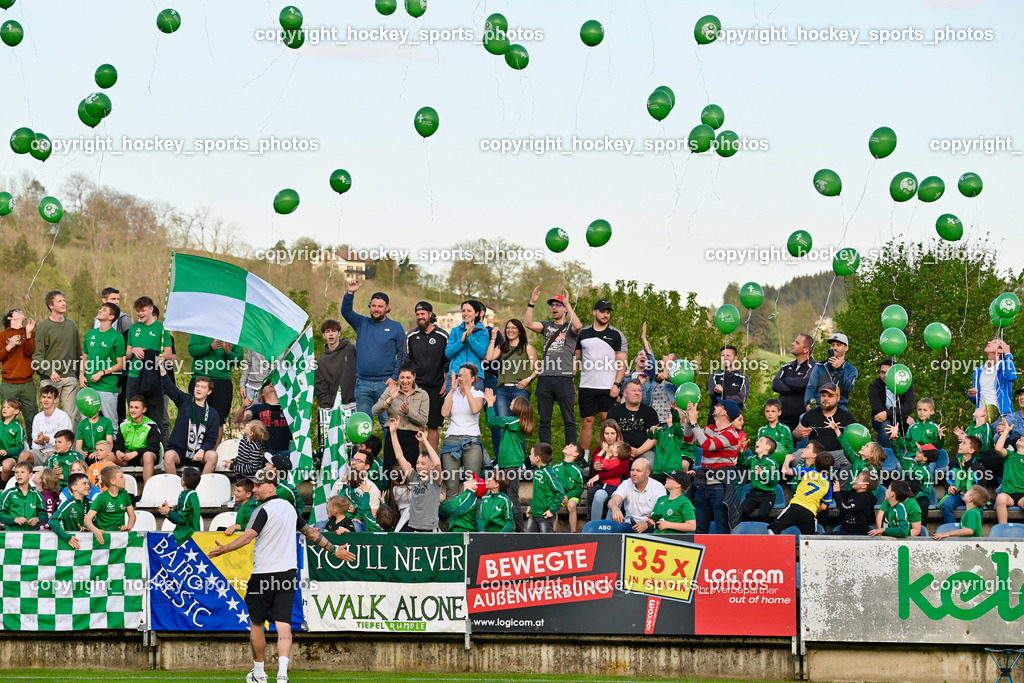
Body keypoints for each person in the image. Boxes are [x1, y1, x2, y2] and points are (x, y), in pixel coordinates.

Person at [209, 469, 306, 683]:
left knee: (256, 624)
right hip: (287, 573)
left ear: (271, 486)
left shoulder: (262, 510)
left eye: (258, 486)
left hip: (263, 574)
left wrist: (224, 549)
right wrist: (333, 549)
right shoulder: (290, 508)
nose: (254, 489)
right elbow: (310, 532)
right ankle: (282, 674)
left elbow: (247, 537)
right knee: (283, 624)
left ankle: (259, 672)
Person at [524, 287, 583, 447]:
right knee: (544, 422)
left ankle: (571, 456)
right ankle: (544, 459)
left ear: (564, 309)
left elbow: (578, 327)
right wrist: (532, 302)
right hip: (545, 379)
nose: (554, 308)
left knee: (569, 420)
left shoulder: (571, 327)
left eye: (558, 305)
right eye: (552, 305)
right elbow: (528, 323)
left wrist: (568, 304)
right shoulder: (546, 325)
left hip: (564, 379)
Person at [342, 280, 405, 427]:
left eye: (380, 306)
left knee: (388, 425)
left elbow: (402, 355)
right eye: (374, 306)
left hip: (385, 385)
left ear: (387, 308)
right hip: (362, 384)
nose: (376, 309)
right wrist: (350, 293)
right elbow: (346, 312)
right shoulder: (362, 323)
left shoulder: (396, 327)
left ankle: (390, 451)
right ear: (370, 306)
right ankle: (365, 451)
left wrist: (394, 377)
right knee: (362, 426)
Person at [575, 300, 628, 459]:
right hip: (587, 385)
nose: (606, 315)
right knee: (587, 422)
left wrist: (616, 385)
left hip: (608, 386)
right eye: (603, 311)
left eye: (608, 312)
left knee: (608, 424)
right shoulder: (583, 333)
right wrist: (569, 380)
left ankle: (611, 456)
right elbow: (575, 359)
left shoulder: (616, 334)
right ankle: (584, 460)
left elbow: (622, 363)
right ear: (594, 312)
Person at [683, 399, 744, 533]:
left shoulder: (732, 434)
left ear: (724, 412)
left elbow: (707, 445)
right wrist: (688, 420)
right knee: (700, 529)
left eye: (719, 405)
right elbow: (688, 438)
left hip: (719, 486)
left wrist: (694, 422)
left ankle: (724, 554)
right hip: (703, 484)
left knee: (721, 528)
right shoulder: (710, 429)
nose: (715, 406)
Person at [484, 318, 537, 455]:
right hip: (502, 390)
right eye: (508, 328)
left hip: (520, 389)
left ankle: (520, 459)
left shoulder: (527, 348)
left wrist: (528, 379)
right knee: (501, 425)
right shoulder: (502, 347)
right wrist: (493, 338)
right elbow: (489, 358)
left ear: (519, 331)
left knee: (520, 425)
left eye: (514, 328)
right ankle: (501, 459)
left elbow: (537, 369)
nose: (510, 330)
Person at [484, 388, 534, 532]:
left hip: (512, 466)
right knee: (504, 496)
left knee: (512, 496)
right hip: (505, 465)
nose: (510, 402)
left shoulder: (515, 421)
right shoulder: (514, 422)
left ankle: (519, 530)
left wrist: (490, 403)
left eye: (513, 401)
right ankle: (505, 527)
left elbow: (492, 421)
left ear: (519, 407)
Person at [403, 302, 449, 450]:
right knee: (418, 425)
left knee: (433, 426)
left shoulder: (443, 336)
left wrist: (446, 382)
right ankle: (419, 461)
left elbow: (448, 362)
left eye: (422, 314)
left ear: (430, 315)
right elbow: (406, 362)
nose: (420, 317)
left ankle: (432, 460)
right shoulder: (411, 336)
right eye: (417, 315)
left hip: (436, 388)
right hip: (417, 388)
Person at [159, 368, 221, 476]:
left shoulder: (213, 414)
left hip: (199, 452)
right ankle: (176, 490)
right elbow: (170, 388)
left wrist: (202, 450)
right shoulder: (185, 400)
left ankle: (201, 490)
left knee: (213, 456)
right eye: (197, 386)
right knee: (168, 456)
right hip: (179, 451)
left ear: (209, 391)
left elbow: (211, 439)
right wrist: (162, 369)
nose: (198, 389)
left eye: (203, 387)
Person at [124, 296, 173, 431]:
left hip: (153, 375)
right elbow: (127, 355)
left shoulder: (161, 328)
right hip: (134, 375)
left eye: (143, 310)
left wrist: (158, 355)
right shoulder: (134, 328)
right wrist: (134, 349)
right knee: (134, 410)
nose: (140, 314)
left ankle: (155, 446)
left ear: (151, 309)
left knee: (155, 412)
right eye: (138, 311)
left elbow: (169, 354)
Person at [32, 290, 81, 423]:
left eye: (64, 300)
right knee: (50, 417)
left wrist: (81, 376)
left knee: (72, 417)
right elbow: (37, 356)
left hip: (70, 378)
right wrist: (50, 371)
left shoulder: (72, 325)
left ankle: (70, 444)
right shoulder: (43, 327)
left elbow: (78, 354)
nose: (63, 303)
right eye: (59, 301)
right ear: (51, 305)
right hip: (49, 379)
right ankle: (51, 444)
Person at [439, 363, 485, 501]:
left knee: (472, 485)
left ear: (473, 378)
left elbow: (475, 409)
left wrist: (467, 390)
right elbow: (444, 413)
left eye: (465, 375)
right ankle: (451, 521)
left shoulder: (478, 394)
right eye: (459, 375)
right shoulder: (452, 394)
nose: (461, 378)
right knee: (451, 487)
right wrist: (452, 390)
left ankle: (471, 521)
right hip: (451, 441)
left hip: (472, 441)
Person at [372, 361, 429, 473]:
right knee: (390, 471)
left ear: (414, 377)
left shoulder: (422, 395)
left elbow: (423, 421)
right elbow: (374, 410)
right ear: (398, 377)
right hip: (393, 435)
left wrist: (409, 412)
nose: (405, 381)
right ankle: (388, 491)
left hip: (411, 437)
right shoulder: (391, 391)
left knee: (409, 473)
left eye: (408, 377)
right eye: (402, 377)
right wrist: (390, 399)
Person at [792, 383, 857, 475]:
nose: (826, 398)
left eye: (830, 396)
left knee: (850, 459)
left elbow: (856, 439)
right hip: (815, 454)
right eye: (823, 396)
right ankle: (805, 485)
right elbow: (795, 434)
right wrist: (799, 434)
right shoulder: (811, 414)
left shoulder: (847, 417)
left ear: (838, 398)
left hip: (836, 454)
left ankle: (840, 489)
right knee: (796, 457)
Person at [187, 334, 242, 442]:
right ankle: (195, 453)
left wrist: (228, 353)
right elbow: (192, 350)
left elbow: (238, 360)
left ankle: (213, 455)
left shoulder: (232, 330)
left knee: (218, 420)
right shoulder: (200, 327)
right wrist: (209, 347)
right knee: (196, 418)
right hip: (200, 378)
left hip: (222, 381)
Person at [80, 301, 126, 426]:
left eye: (104, 310)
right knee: (86, 423)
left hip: (107, 387)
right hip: (88, 386)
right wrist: (81, 375)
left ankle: (113, 445)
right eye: (101, 308)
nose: (100, 310)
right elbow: (85, 358)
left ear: (111, 317)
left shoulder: (117, 337)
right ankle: (87, 446)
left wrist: (102, 372)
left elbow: (121, 364)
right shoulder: (90, 334)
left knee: (111, 423)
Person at [768, 452, 835, 535]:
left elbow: (785, 471)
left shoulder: (808, 471)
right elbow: (824, 507)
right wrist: (815, 510)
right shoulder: (828, 484)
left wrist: (787, 459)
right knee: (811, 539)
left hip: (795, 507)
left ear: (814, 464)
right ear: (830, 468)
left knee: (773, 529)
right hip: (809, 513)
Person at [391, 426, 443, 533]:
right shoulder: (414, 477)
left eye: (423, 464)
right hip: (413, 528)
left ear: (431, 466)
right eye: (418, 463)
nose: (419, 466)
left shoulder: (436, 480)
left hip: (430, 530)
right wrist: (393, 433)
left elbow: (437, 463)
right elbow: (399, 457)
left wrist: (424, 440)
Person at [93, 287, 133, 423]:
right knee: (100, 409)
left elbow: (129, 347)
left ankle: (118, 440)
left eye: (118, 299)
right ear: (104, 300)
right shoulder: (97, 319)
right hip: (101, 372)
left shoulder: (124, 319)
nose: (116, 302)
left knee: (118, 407)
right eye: (112, 299)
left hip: (120, 373)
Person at [235, 381, 292, 461]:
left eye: (274, 383)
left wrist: (290, 412)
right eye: (267, 384)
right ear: (262, 394)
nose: (271, 384)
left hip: (284, 453)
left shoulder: (288, 408)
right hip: (262, 453)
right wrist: (243, 407)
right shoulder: (257, 408)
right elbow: (238, 419)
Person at [888, 428, 938, 517]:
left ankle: (921, 527)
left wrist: (913, 496)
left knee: (923, 502)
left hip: (917, 496)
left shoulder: (927, 472)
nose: (916, 452)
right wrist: (895, 441)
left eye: (919, 451)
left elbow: (927, 491)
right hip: (903, 493)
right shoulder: (909, 462)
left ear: (925, 458)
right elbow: (898, 453)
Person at [0, 309, 37, 430]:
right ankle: (5, 447)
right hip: (9, 384)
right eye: (17, 311)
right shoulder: (2, 335)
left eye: (22, 311)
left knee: (32, 417)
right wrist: (9, 346)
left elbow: (29, 352)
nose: (22, 311)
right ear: (10, 318)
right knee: (7, 419)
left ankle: (34, 447)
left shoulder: (30, 331)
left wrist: (27, 334)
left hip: (28, 384)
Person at [607, 459, 667, 533]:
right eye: (632, 470)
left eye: (638, 471)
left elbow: (661, 512)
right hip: (630, 525)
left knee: (657, 532)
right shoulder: (627, 483)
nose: (634, 473)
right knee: (618, 531)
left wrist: (646, 525)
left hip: (651, 525)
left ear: (647, 473)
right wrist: (614, 508)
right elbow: (613, 501)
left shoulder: (658, 487)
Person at [585, 424, 630, 522]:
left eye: (613, 433)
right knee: (597, 493)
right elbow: (592, 475)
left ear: (617, 434)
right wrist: (596, 469)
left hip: (618, 484)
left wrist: (599, 475)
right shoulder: (598, 450)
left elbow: (620, 470)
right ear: (602, 435)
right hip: (602, 485)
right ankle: (593, 523)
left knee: (617, 497)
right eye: (607, 433)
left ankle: (610, 526)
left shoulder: (623, 449)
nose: (610, 437)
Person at [606, 379, 659, 462]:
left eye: (639, 391)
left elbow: (653, 438)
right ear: (625, 394)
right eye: (633, 391)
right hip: (618, 450)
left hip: (643, 451)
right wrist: (623, 451)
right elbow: (609, 435)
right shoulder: (614, 411)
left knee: (650, 461)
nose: (637, 393)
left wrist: (638, 451)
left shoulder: (649, 412)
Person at [771, 333, 816, 431]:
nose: (792, 344)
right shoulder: (786, 367)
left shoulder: (814, 367)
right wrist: (796, 388)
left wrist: (786, 380)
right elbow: (775, 385)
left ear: (805, 349)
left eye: (797, 342)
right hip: (782, 421)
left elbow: (804, 383)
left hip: (801, 422)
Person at [939, 434, 987, 525]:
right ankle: (951, 529)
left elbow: (980, 487)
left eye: (964, 443)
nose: (960, 445)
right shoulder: (953, 463)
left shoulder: (978, 468)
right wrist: (949, 486)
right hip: (956, 495)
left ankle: (974, 532)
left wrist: (971, 496)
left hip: (971, 496)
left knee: (977, 507)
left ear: (971, 450)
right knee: (946, 505)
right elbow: (945, 479)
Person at [968, 338, 1016, 427]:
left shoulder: (1005, 366)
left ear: (1000, 350)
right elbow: (976, 400)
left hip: (1000, 418)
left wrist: (1008, 354)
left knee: (1000, 441)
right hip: (981, 419)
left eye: (994, 342)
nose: (988, 342)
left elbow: (1012, 377)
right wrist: (972, 395)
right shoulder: (978, 371)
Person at [868, 359, 915, 449]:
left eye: (888, 372)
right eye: (882, 372)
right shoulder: (874, 385)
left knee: (912, 427)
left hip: (901, 418)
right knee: (886, 427)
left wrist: (888, 413)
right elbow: (878, 411)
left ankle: (906, 457)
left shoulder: (905, 383)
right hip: (882, 419)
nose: (885, 375)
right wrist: (903, 415)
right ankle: (886, 457)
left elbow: (908, 407)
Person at [804, 333, 858, 411]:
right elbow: (811, 387)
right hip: (819, 406)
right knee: (802, 418)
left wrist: (839, 369)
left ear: (846, 348)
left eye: (838, 345)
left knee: (847, 420)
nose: (835, 348)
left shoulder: (851, 370)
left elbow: (847, 389)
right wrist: (808, 403)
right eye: (833, 345)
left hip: (840, 407)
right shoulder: (820, 366)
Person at [20, 384, 72, 466]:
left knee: (51, 455)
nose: (46, 400)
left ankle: (48, 478)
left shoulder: (62, 416)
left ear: (55, 400)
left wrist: (47, 439)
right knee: (24, 455)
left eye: (49, 397)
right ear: (40, 399)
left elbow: (65, 442)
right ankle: (17, 477)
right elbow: (34, 443)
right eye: (44, 397)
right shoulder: (38, 417)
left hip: (57, 452)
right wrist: (40, 442)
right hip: (40, 452)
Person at [313, 318, 357, 410]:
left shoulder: (351, 349)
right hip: (334, 408)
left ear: (339, 333)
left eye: (334, 330)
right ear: (324, 335)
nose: (331, 334)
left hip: (355, 403)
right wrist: (327, 408)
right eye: (327, 331)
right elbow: (322, 388)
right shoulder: (321, 361)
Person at [115, 395, 161, 478]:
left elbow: (153, 447)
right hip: (126, 458)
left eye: (136, 408)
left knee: (148, 455)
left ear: (144, 409)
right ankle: (106, 488)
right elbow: (119, 442)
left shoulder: (151, 425)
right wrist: (118, 452)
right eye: (131, 407)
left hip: (143, 458)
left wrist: (136, 453)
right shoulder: (124, 424)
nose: (132, 410)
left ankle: (148, 489)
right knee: (108, 455)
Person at [84, 466, 136, 539]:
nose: (125, 478)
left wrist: (128, 528)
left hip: (119, 536)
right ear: (113, 481)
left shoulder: (124, 494)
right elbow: (87, 520)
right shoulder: (101, 498)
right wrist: (96, 531)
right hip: (104, 536)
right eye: (121, 477)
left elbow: (132, 515)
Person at [445, 300, 489, 382]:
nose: (465, 313)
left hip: (475, 376)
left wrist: (470, 337)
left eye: (469, 311)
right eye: (463, 311)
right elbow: (448, 353)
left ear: (477, 313)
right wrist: (461, 341)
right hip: (456, 375)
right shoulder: (455, 330)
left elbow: (482, 353)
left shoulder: (483, 331)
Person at [525, 443, 564, 533]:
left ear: (537, 458)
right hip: (533, 514)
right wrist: (531, 505)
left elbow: (560, 492)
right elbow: (537, 493)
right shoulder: (537, 472)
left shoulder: (548, 473)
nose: (529, 457)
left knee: (546, 543)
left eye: (531, 454)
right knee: (529, 541)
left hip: (544, 516)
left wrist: (551, 510)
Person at [739, 436, 780, 520]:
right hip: (753, 494)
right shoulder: (753, 459)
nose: (756, 442)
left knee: (763, 513)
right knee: (741, 510)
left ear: (768, 447)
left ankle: (770, 530)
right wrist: (742, 451)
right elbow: (742, 462)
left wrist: (762, 473)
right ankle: (748, 531)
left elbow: (775, 481)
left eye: (760, 441)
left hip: (767, 495)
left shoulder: (771, 463)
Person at [159, 467, 201, 545]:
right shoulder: (193, 495)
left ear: (183, 482)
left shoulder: (186, 496)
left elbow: (181, 519)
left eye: (181, 477)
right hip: (193, 537)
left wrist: (168, 511)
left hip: (187, 537)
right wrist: (169, 514)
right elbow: (182, 521)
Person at [0, 461, 47, 530]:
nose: (19, 474)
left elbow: (44, 515)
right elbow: (1, 515)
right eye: (16, 472)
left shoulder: (37, 494)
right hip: (12, 535)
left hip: (30, 536)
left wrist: (37, 519)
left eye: (22, 472)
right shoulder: (9, 493)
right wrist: (14, 520)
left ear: (30, 475)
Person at [994, 418, 1024, 525]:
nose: (1021, 437)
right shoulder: (1010, 455)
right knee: (1000, 498)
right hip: (1008, 495)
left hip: (1022, 495)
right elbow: (998, 448)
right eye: (1021, 437)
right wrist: (1006, 430)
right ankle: (1003, 528)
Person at [709, 345, 750, 421]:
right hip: (715, 421)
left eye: (728, 355)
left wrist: (723, 396)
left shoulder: (743, 378)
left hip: (735, 421)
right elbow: (712, 397)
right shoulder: (714, 376)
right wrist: (716, 393)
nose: (725, 358)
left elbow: (742, 398)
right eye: (723, 355)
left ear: (735, 358)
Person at [832, 470, 879, 535]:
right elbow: (841, 494)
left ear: (864, 486)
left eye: (858, 478)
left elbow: (845, 507)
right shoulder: (854, 493)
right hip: (845, 531)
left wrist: (836, 493)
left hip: (857, 534)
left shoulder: (864, 497)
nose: (855, 478)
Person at [52, 471, 91, 548]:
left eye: (88, 484)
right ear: (74, 487)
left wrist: (89, 529)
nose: (88, 486)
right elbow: (52, 521)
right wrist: (67, 538)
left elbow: (98, 523)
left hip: (88, 543)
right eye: (84, 484)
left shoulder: (91, 503)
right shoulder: (68, 504)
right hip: (71, 544)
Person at [553, 443, 586, 533]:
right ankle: (553, 531)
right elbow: (552, 484)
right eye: (568, 445)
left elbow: (579, 488)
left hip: (572, 496)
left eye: (571, 446)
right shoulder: (556, 467)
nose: (567, 446)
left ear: (575, 454)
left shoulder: (577, 470)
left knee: (571, 506)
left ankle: (573, 531)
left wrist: (567, 495)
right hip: (558, 495)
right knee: (553, 504)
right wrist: (560, 495)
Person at [649, 407, 687, 482]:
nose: (669, 414)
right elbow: (650, 436)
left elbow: (676, 423)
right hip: (658, 470)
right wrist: (651, 429)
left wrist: (674, 412)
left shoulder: (678, 432)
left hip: (672, 469)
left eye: (671, 414)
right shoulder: (661, 430)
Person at [758, 399, 794, 467]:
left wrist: (783, 457)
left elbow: (790, 448)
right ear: (764, 412)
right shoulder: (762, 430)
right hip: (766, 464)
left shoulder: (785, 429)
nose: (770, 414)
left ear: (779, 412)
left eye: (773, 411)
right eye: (767, 411)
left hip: (783, 463)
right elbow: (758, 448)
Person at [0, 399, 24, 483]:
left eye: (8, 407)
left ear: (16, 411)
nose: (4, 409)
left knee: (6, 465)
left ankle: (2, 486)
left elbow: (20, 447)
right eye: (3, 407)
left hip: (11, 456)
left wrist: (7, 452)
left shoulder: (17, 427)